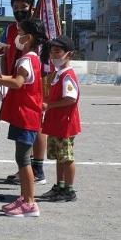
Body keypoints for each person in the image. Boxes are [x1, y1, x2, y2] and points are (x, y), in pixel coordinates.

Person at [0, 20, 46, 217]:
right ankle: (25, 197)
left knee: (23, 159)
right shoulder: (32, 58)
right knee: (23, 158)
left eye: (19, 32)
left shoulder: (27, 59)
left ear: (28, 37)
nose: (16, 35)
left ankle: (29, 203)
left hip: (25, 115)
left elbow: (18, 83)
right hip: (27, 114)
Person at [0, 0, 47, 185]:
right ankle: (27, 167)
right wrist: (3, 80)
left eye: (24, 7)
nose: (19, 11)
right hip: (15, 81)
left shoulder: (37, 29)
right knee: (22, 123)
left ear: (32, 8)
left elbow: (46, 60)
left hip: (35, 81)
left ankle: (37, 168)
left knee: (36, 124)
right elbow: (3, 54)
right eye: (16, 8)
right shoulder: (10, 29)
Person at [40, 35, 81, 202]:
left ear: (69, 55)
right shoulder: (58, 74)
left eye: (57, 51)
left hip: (65, 124)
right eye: (52, 51)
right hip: (57, 124)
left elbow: (70, 98)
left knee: (67, 157)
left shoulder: (67, 75)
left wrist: (48, 105)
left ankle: (69, 190)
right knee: (59, 157)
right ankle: (60, 186)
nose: (53, 55)